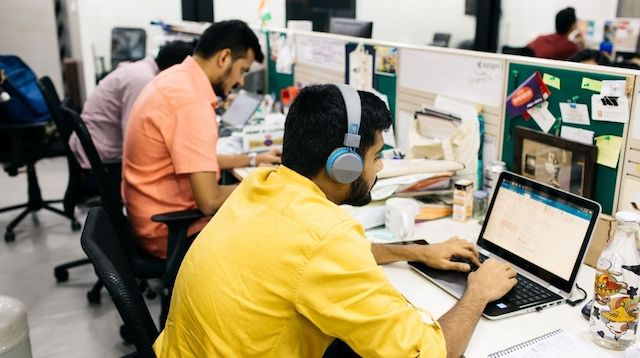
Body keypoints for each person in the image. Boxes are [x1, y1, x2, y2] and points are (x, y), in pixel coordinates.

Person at [153, 84, 517, 357]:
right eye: (376, 156)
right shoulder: (324, 235)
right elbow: (427, 353)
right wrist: (478, 294)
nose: (380, 167)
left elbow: (308, 257)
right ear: (344, 165)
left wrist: (417, 252)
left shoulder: (261, 187)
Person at [122, 20, 281, 259]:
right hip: (171, 233)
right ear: (224, 58)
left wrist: (254, 159)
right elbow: (210, 201)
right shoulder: (192, 103)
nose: (240, 82)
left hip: (149, 218)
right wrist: (273, 183)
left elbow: (195, 159)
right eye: (243, 70)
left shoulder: (176, 78)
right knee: (274, 231)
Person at [68, 40, 195, 169]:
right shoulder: (143, 80)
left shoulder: (141, 69)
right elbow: (133, 133)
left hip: (97, 141)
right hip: (103, 154)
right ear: (175, 70)